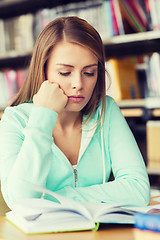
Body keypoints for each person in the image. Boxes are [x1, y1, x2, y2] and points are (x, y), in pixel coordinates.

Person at [0, 16, 150, 209]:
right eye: (65, 73)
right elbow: (21, 200)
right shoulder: (14, 121)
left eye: (89, 73)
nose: (78, 84)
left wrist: (58, 198)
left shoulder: (107, 111)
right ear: (43, 70)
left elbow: (138, 190)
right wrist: (43, 117)